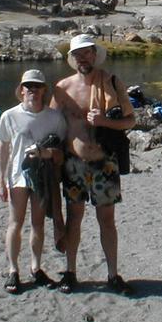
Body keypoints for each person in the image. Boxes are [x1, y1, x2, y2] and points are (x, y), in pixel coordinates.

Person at [50, 34, 136, 295]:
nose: (82, 58)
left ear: (94, 54)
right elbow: (50, 124)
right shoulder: (62, 88)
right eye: (77, 54)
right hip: (73, 164)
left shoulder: (111, 82)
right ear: (72, 58)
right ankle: (70, 272)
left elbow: (130, 121)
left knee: (107, 220)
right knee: (74, 218)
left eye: (86, 52)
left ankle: (113, 274)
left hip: (104, 162)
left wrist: (105, 122)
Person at [0, 69, 67, 294]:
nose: (33, 90)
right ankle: (13, 270)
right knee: (15, 223)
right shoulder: (9, 116)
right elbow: (2, 148)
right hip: (18, 177)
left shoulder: (55, 118)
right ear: (22, 90)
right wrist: (0, 180)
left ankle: (36, 267)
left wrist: (47, 153)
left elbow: (61, 150)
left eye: (37, 86)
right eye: (28, 86)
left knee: (38, 223)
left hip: (43, 177)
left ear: (44, 90)